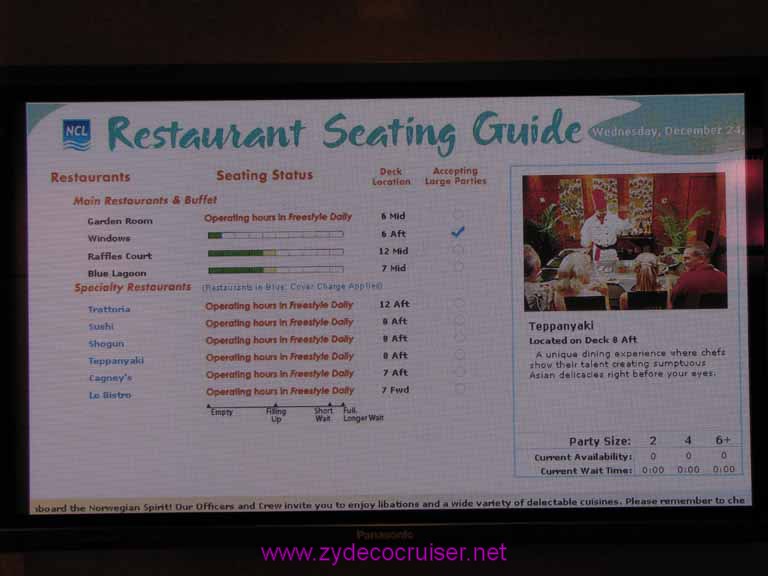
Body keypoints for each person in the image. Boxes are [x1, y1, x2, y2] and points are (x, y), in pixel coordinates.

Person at [670, 241, 727, 309]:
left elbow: (673, 301)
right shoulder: (724, 277)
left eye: (687, 258)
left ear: (701, 259)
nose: (683, 262)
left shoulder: (685, 278)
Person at [580, 189, 631, 262]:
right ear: (595, 210)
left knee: (613, 267)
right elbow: (585, 241)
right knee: (598, 268)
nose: (603, 213)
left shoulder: (613, 218)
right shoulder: (589, 222)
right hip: (598, 252)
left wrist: (626, 215)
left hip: (612, 251)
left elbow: (626, 227)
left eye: (604, 210)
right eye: (600, 211)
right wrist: (588, 244)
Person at [523, 244, 553, 311]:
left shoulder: (528, 284)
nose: (540, 271)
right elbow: (544, 307)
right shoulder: (532, 291)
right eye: (537, 270)